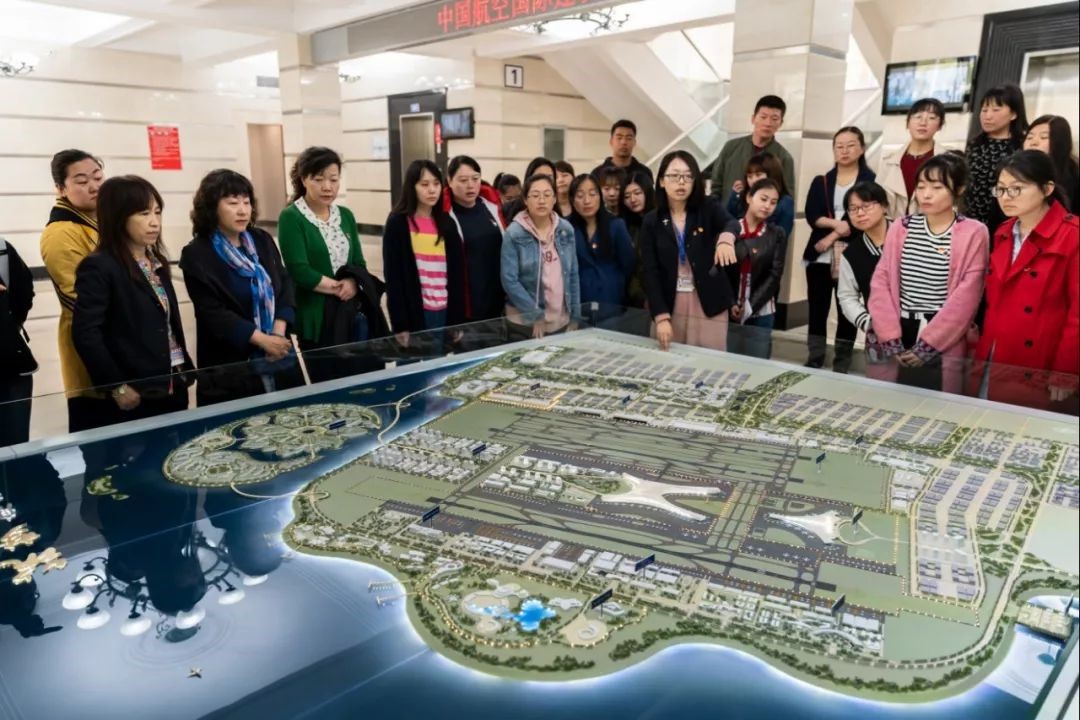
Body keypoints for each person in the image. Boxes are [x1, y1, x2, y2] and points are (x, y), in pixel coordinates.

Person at [71, 176, 192, 428]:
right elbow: (86, 333)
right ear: (118, 217)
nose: (154, 222)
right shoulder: (100, 266)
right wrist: (117, 386)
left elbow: (167, 323)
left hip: (173, 379)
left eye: (157, 212)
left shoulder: (156, 261)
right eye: (143, 213)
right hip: (136, 389)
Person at [867, 154, 989, 393]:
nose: (926, 194)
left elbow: (967, 297)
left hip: (943, 334)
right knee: (889, 400)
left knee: (935, 404)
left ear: (959, 189)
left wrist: (928, 345)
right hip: (898, 329)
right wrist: (890, 337)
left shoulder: (974, 232)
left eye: (937, 187)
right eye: (921, 186)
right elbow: (881, 282)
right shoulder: (901, 227)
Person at [179, 170, 302, 407]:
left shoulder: (262, 239)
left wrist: (277, 333)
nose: (243, 210)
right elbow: (213, 312)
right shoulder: (197, 254)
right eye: (233, 203)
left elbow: (284, 284)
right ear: (212, 207)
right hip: (232, 363)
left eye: (246, 202)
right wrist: (261, 340)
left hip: (277, 352)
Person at [971, 150, 1078, 411]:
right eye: (1001, 189)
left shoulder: (1072, 236)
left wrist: (1065, 372)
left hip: (1039, 362)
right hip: (993, 353)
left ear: (1047, 189)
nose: (1006, 197)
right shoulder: (1003, 232)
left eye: (1016, 188)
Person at [277, 147, 368, 382]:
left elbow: (358, 262)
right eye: (318, 179)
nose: (327, 187)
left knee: (361, 380)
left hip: (352, 313)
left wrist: (352, 282)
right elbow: (298, 270)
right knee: (328, 383)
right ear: (303, 179)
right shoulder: (292, 217)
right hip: (317, 318)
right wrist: (339, 288)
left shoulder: (345, 215)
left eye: (333, 179)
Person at [642, 150, 739, 352]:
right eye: (674, 176)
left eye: (687, 176)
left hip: (707, 300)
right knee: (670, 360)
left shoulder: (707, 208)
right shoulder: (652, 221)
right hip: (671, 302)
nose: (681, 182)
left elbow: (731, 223)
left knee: (710, 361)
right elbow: (650, 272)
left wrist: (726, 239)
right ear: (662, 181)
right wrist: (660, 316)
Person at [39, 149, 105, 432]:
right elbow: (79, 301)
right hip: (94, 359)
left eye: (98, 177)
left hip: (126, 353)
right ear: (61, 189)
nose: (94, 186)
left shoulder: (103, 222)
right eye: (81, 181)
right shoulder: (61, 232)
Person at [802, 127, 877, 371]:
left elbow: (864, 217)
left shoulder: (871, 182)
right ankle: (815, 357)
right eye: (839, 146)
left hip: (852, 256)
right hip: (819, 257)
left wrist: (833, 235)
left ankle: (842, 362)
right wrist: (837, 225)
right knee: (817, 310)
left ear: (862, 148)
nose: (844, 151)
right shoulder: (822, 181)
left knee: (848, 310)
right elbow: (812, 215)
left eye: (851, 145)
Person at [383, 159, 465, 350]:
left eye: (436, 184)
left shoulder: (447, 223)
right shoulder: (398, 223)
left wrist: (456, 320)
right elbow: (393, 278)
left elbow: (457, 276)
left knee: (437, 365)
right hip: (414, 312)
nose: (432, 190)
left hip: (443, 312)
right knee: (412, 365)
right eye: (424, 184)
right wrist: (400, 324)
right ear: (412, 187)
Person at [501, 173, 580, 340]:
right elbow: (509, 280)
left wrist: (576, 315)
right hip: (524, 323)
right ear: (525, 200)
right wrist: (534, 314)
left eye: (547, 195)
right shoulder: (514, 233)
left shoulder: (566, 230)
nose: (542, 200)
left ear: (554, 199)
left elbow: (572, 274)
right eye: (535, 195)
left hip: (561, 320)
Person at [443, 156, 508, 349]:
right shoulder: (445, 216)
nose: (470, 185)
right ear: (450, 181)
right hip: (467, 311)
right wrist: (453, 320)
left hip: (497, 307)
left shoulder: (491, 206)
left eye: (475, 178)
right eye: (463, 180)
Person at [836, 182, 891, 380]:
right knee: (880, 386)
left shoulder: (908, 236)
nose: (860, 213)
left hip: (918, 328)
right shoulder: (851, 254)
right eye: (853, 209)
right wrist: (869, 324)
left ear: (884, 206)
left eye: (866, 206)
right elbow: (846, 296)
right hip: (879, 334)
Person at [728, 179, 787, 359]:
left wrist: (750, 306)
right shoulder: (731, 229)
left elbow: (775, 274)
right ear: (749, 197)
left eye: (773, 202)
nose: (767, 206)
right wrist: (731, 302)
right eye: (763, 199)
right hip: (730, 308)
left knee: (757, 363)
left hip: (762, 309)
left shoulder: (777, 234)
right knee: (729, 361)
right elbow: (722, 271)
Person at [568, 174, 635, 322]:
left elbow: (628, 263)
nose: (587, 201)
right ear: (572, 200)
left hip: (612, 300)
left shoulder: (616, 225)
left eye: (592, 194)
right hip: (579, 302)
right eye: (580, 196)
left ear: (600, 196)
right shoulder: (566, 228)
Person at [964, 85, 1028, 236]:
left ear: (1013, 114)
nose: (987, 116)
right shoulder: (974, 144)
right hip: (970, 222)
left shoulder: (1022, 147)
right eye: (984, 110)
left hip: (1006, 223)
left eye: (996, 110)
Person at [710, 96, 796, 205]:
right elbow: (716, 186)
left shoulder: (784, 157)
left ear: (781, 123)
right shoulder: (731, 147)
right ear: (753, 119)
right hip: (728, 213)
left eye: (774, 119)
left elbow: (787, 198)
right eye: (763, 117)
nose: (768, 123)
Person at [878, 98, 947, 219]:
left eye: (931, 118)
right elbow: (876, 200)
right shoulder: (889, 161)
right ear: (907, 123)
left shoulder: (947, 162)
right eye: (917, 116)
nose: (923, 122)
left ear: (940, 125)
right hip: (892, 227)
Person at [0, 237, 37, 446]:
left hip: (12, 367)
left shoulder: (2, 249)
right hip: (11, 360)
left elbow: (24, 291)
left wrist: (9, 326)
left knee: (16, 448)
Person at [725, 152, 795, 241]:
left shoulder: (785, 202)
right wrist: (734, 197)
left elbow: (781, 238)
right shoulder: (742, 197)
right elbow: (727, 224)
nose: (753, 180)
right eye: (749, 176)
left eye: (758, 175)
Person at [1024, 115, 1079, 213]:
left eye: (1043, 137)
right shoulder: (1014, 169)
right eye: (1029, 137)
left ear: (1060, 142)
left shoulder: (1073, 174)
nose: (1033, 142)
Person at [621, 171, 656, 310]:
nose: (632, 199)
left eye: (637, 193)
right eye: (627, 196)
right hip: (636, 300)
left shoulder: (661, 221)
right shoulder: (625, 227)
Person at [593, 119, 654, 185]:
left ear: (634, 142)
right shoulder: (597, 173)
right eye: (619, 138)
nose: (624, 142)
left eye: (629, 138)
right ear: (611, 141)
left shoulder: (644, 172)